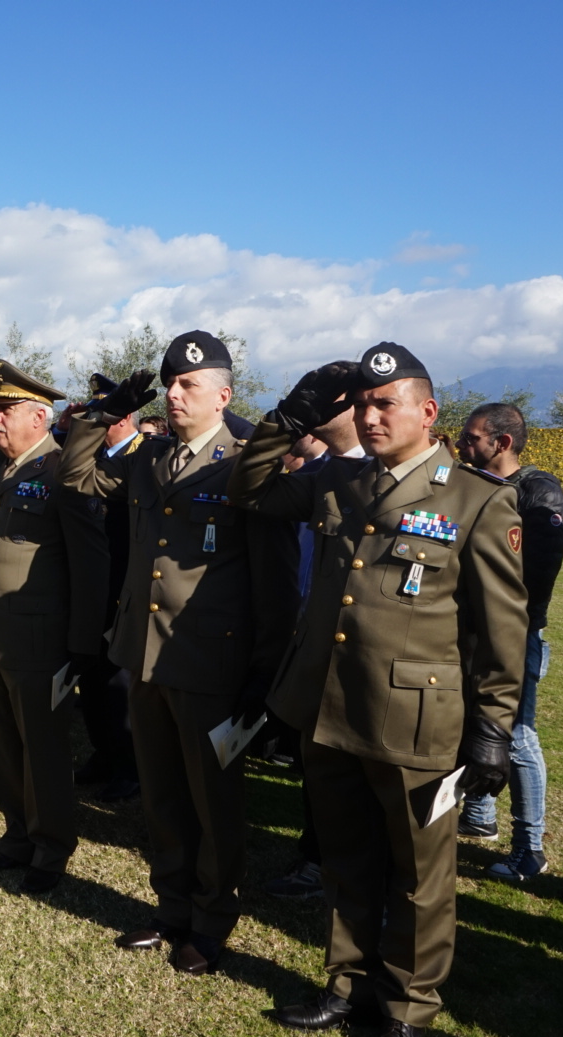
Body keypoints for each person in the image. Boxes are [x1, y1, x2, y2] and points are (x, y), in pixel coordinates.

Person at [229, 344, 525, 1037]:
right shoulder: (338, 477)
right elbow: (252, 488)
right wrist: (286, 417)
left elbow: (501, 631)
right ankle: (348, 983)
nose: (370, 414)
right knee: (346, 857)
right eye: (362, 403)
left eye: (385, 403)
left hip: (417, 722)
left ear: (428, 413)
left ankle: (407, 1012)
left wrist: (492, 727)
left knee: (421, 878)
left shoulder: (476, 500)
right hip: (331, 708)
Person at [60, 332, 297, 974]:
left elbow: (275, 583)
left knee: (211, 803)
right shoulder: (146, 457)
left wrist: (263, 672)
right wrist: (105, 415)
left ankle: (213, 919)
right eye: (169, 383)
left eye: (188, 385)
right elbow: (75, 474)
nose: (174, 393)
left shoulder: (245, 464)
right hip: (144, 655)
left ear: (223, 395)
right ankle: (171, 907)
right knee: (162, 795)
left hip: (210, 662)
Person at [0, 360, 109, 894]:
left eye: (7, 410)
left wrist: (81, 642)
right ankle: (16, 835)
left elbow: (91, 562)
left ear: (40, 416)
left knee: (44, 751)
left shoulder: (63, 471)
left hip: (39, 640)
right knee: (5, 747)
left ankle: (51, 848)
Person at [453, 403, 563, 881]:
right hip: (473, 631)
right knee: (477, 720)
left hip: (515, 633)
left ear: (501, 443)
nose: (461, 444)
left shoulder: (538, 494)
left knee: (515, 734)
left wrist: (506, 621)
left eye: (471, 438)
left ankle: (530, 847)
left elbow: (535, 575)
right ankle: (479, 816)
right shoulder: (476, 484)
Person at [264, 388, 368, 901]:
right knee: (318, 769)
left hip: (381, 667)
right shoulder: (318, 475)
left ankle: (362, 879)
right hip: (314, 641)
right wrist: (282, 422)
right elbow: (250, 486)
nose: (324, 411)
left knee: (372, 789)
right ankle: (316, 861)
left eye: (336, 402)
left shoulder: (432, 483)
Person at [56, 373, 142, 803]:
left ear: (122, 416)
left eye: (99, 413)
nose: (91, 419)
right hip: (89, 584)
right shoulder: (93, 459)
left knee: (118, 683)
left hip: (123, 584)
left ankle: (129, 764)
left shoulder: (143, 455)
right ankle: (103, 753)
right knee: (89, 677)